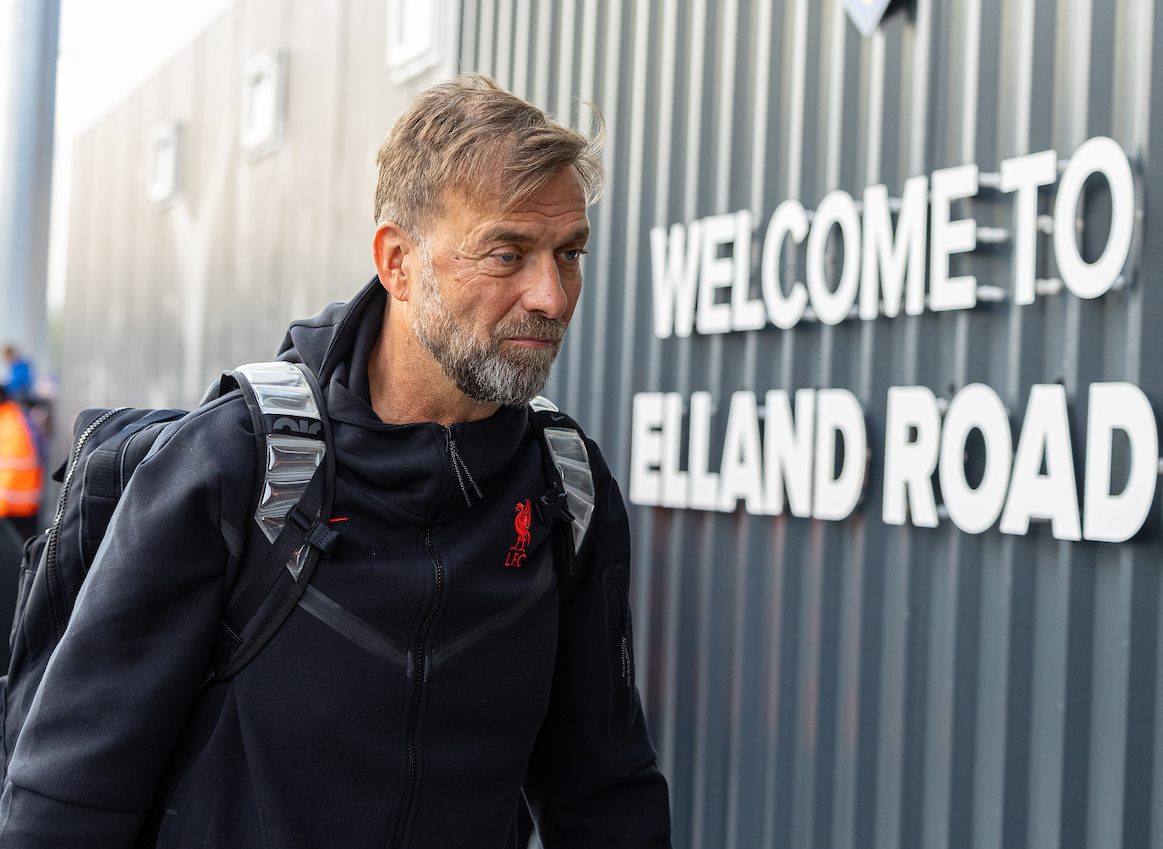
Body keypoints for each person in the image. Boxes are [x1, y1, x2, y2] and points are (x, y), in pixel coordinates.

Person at [0, 74, 671, 848]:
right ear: (398, 262)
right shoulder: (234, 468)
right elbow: (66, 802)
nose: (552, 295)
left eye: (569, 252)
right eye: (507, 252)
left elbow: (607, 792)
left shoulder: (567, 488)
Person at [0, 384, 41, 544]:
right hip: (16, 508)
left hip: (15, 510)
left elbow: (12, 471)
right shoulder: (10, 421)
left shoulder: (10, 426)